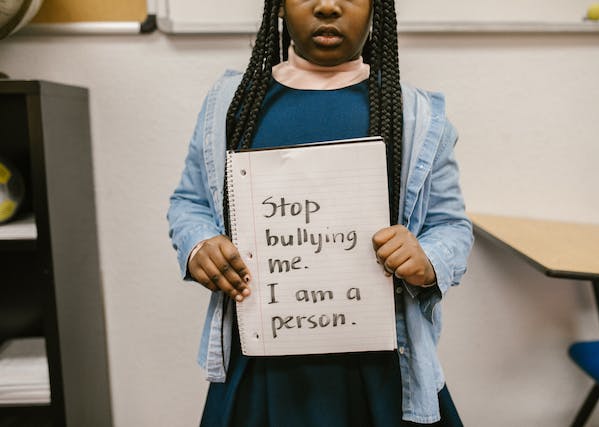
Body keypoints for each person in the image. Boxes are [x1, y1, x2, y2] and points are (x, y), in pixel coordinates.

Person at [167, 0, 474, 425]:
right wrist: (199, 243)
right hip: (261, 364)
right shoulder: (231, 105)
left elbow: (451, 226)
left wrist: (427, 258)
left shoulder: (417, 115)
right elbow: (190, 201)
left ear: (376, 9)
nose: (328, 5)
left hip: (380, 372)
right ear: (276, 7)